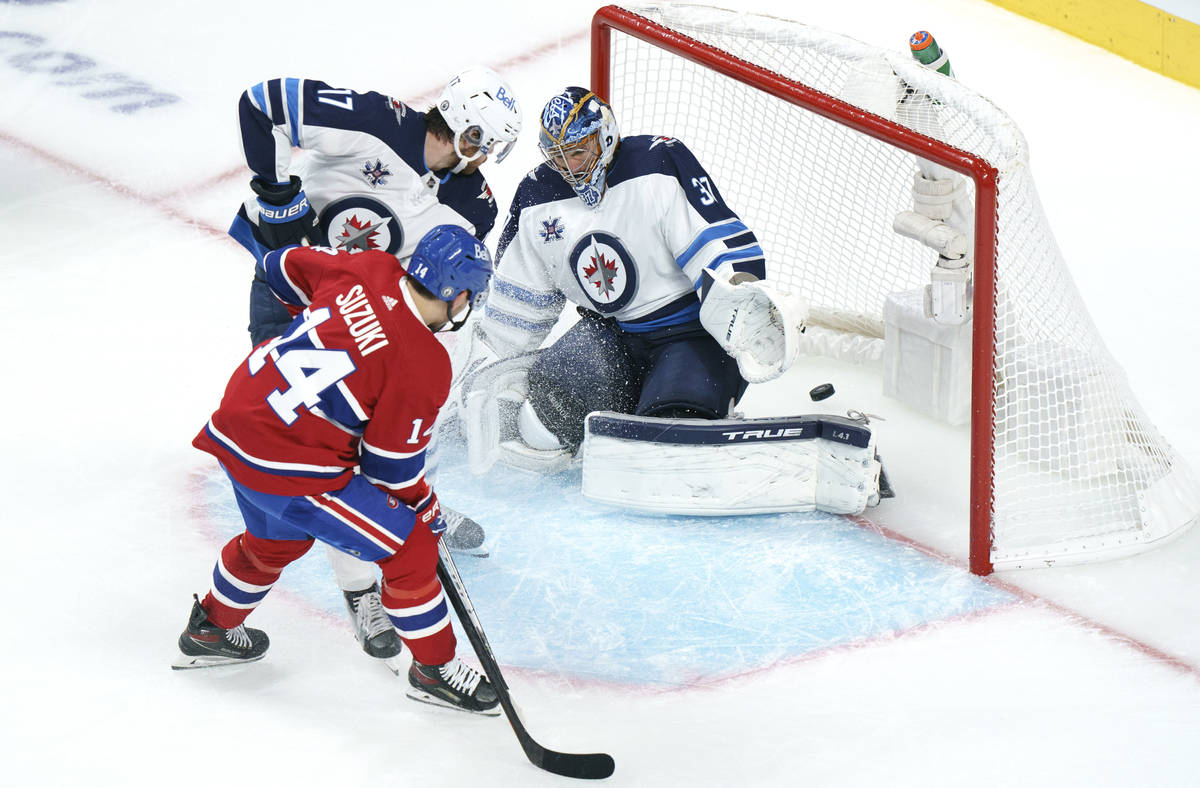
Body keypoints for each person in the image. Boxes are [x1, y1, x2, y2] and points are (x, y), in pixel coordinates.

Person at [225, 67, 522, 659]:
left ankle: (407, 509)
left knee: (399, 423)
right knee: (321, 445)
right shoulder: (371, 122)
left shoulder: (470, 201)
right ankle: (360, 587)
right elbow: (260, 103)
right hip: (301, 290)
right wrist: (276, 193)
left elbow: (437, 279)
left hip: (369, 308)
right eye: (482, 142)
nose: (485, 158)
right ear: (461, 126)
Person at [174, 226, 500, 715]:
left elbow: (273, 269)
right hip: (291, 463)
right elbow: (389, 468)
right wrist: (427, 509)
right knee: (410, 548)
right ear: (459, 294)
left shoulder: (367, 267)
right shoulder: (424, 363)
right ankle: (434, 670)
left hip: (240, 422)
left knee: (275, 541)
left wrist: (277, 343)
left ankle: (211, 629)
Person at [450, 86, 804, 471]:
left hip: (691, 334)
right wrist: (485, 372)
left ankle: (691, 404)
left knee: (670, 440)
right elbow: (518, 301)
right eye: (557, 156)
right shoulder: (537, 196)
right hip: (611, 335)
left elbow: (716, 244)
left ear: (604, 139)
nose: (568, 167)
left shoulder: (658, 163)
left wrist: (741, 304)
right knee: (539, 428)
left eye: (577, 152)